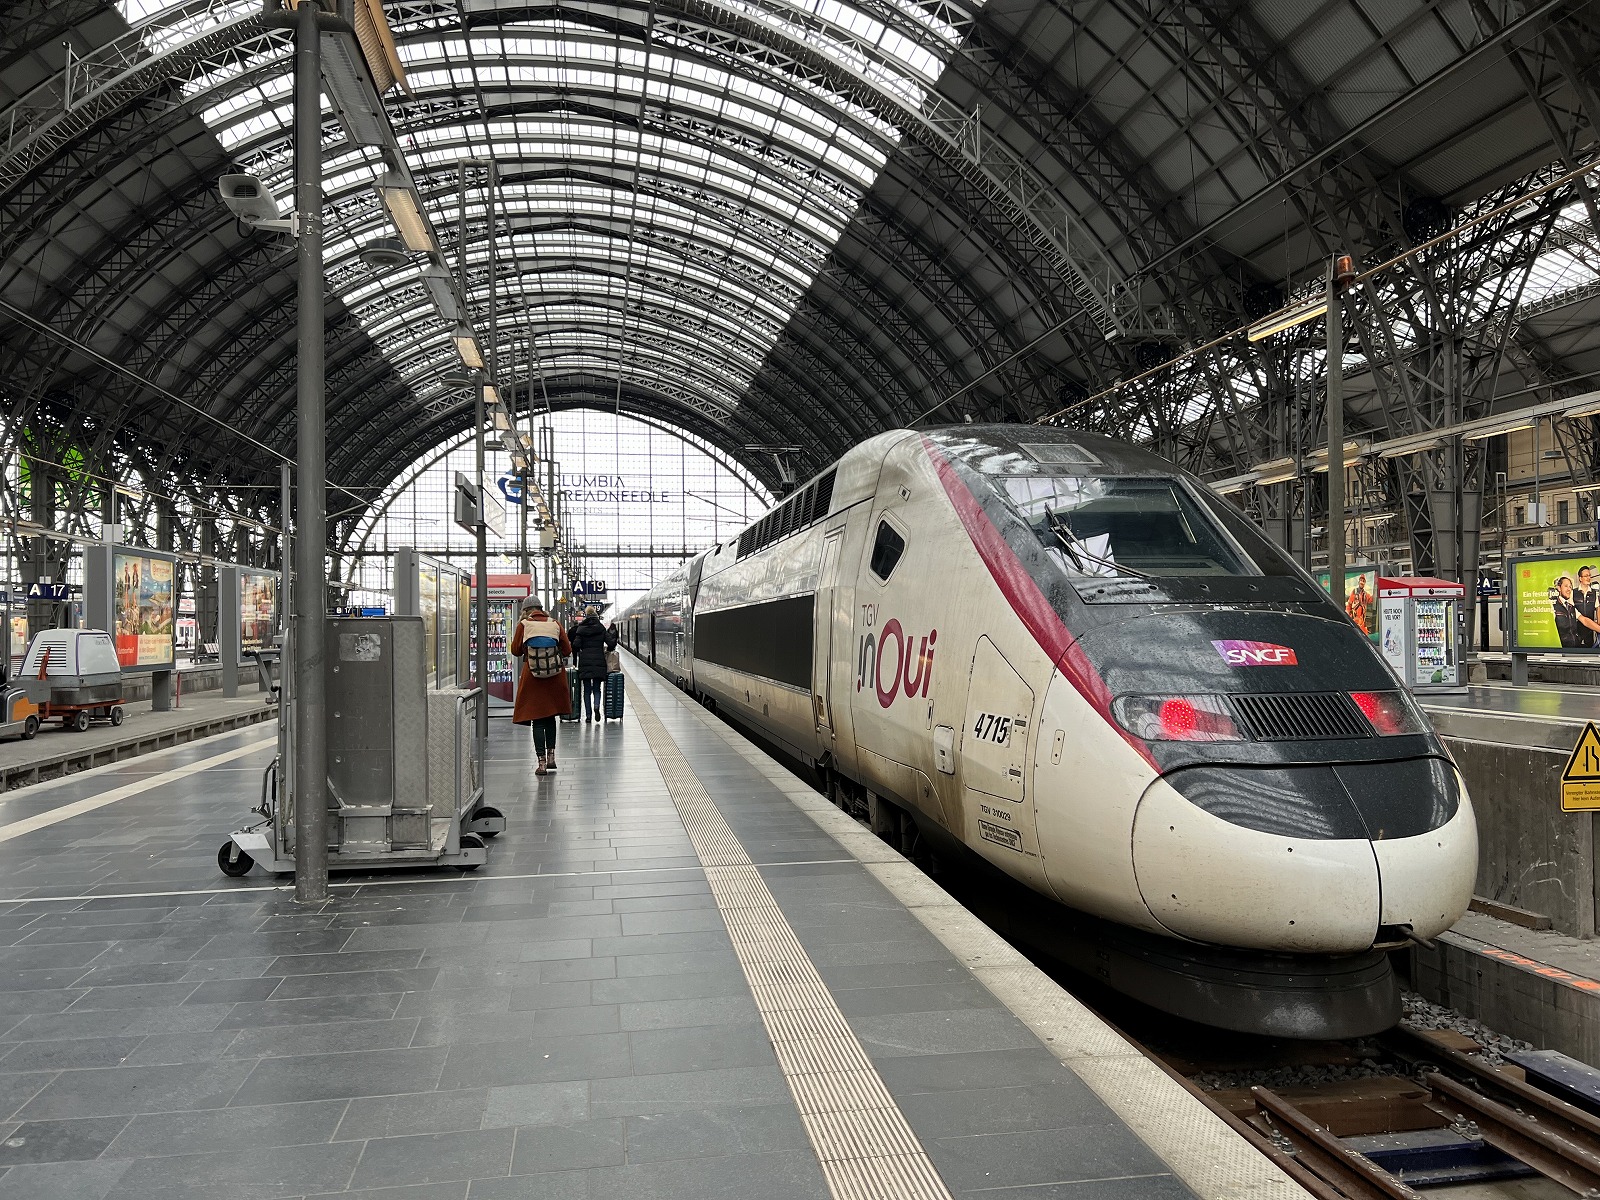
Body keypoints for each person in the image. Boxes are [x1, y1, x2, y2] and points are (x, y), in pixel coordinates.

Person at [509, 598, 571, 775]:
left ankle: (541, 764)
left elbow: (515, 650)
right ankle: (551, 758)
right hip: (554, 676)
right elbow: (567, 650)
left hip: (533, 677)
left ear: (525, 610)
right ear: (541, 609)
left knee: (537, 719)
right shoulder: (554, 623)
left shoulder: (524, 625)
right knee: (550, 717)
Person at [568, 604, 617, 722]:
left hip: (585, 662)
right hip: (599, 661)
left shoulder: (581, 629)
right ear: (596, 615)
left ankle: (588, 716)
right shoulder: (601, 628)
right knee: (596, 688)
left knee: (586, 691)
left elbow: (576, 645)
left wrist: (580, 647)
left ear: (586, 616)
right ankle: (596, 706)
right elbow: (611, 643)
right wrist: (610, 646)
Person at [1576, 566, 1600, 648]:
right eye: (1586, 576)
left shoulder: (1594, 593)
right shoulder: (1573, 593)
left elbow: (1598, 608)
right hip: (1576, 631)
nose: (1588, 578)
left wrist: (1598, 625)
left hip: (1590, 631)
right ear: (1580, 578)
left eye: (1589, 575)